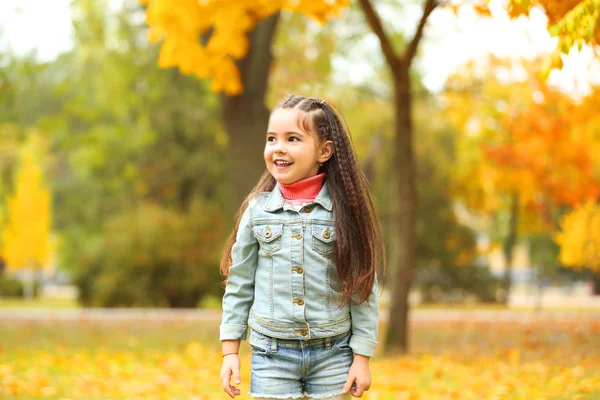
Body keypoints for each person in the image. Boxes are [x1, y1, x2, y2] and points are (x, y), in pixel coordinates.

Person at [219, 94, 385, 400]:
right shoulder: (257, 212)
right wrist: (230, 352)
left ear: (324, 151)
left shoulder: (344, 212)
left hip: (333, 354)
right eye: (272, 138)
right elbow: (239, 283)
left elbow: (363, 289)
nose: (278, 147)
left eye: (292, 138)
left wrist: (361, 358)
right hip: (272, 355)